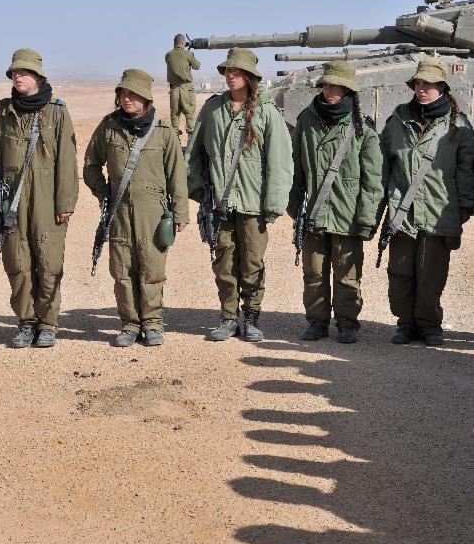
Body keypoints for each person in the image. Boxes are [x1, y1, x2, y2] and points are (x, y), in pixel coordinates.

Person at [186, 47, 292, 342]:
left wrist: (273, 204)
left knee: (252, 263)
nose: (231, 76)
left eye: (237, 72)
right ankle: (229, 318)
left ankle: (253, 317)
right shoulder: (212, 109)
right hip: (219, 201)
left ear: (249, 77)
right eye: (227, 71)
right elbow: (193, 153)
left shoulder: (266, 111)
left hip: (252, 202)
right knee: (223, 261)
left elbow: (280, 162)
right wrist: (197, 191)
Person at [83, 69, 189, 347]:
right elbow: (91, 165)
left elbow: (177, 175)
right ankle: (129, 324)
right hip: (119, 210)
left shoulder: (164, 132)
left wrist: (180, 213)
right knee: (122, 270)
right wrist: (103, 193)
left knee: (152, 270)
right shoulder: (108, 127)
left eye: (132, 94)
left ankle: (152, 323)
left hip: (153, 212)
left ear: (145, 97)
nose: (126, 98)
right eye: (122, 93)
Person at [0, 48, 79, 348]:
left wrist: (65, 203)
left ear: (38, 76)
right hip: (12, 201)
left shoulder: (57, 111)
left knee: (48, 263)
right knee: (19, 264)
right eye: (14, 72)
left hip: (48, 200)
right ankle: (26, 323)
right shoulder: (1, 113)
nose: (17, 77)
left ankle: (48, 324)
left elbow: (67, 159)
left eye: (23, 72)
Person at [288, 61, 385, 344]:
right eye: (325, 85)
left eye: (334, 85)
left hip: (348, 212)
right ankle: (317, 322)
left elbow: (373, 179)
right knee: (314, 273)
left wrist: (366, 219)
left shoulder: (362, 127)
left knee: (347, 276)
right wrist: (296, 209)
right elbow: (295, 169)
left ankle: (347, 324)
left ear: (347, 89)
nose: (328, 90)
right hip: (312, 212)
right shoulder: (307, 120)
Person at [381, 58, 474, 346]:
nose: (422, 89)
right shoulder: (397, 120)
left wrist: (464, 207)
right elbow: (383, 165)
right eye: (418, 84)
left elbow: (466, 169)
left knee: (431, 275)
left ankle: (430, 324)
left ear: (442, 87)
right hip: (402, 211)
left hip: (438, 211)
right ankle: (405, 324)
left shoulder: (458, 126)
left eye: (428, 84)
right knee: (400, 273)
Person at [165, 34, 201, 141]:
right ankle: (191, 141)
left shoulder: (168, 55)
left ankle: (176, 142)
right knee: (189, 114)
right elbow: (197, 66)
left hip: (174, 90)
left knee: (174, 116)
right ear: (182, 43)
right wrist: (191, 55)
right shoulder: (187, 54)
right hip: (186, 89)